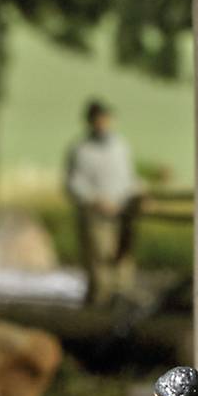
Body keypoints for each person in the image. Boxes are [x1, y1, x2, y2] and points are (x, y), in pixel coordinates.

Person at [62, 98, 140, 298]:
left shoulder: (120, 146)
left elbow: (128, 177)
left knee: (122, 256)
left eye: (106, 119)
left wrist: (135, 194)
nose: (103, 123)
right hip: (95, 213)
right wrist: (95, 199)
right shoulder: (81, 149)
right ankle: (101, 299)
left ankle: (122, 295)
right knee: (99, 257)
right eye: (99, 119)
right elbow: (74, 183)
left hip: (121, 210)